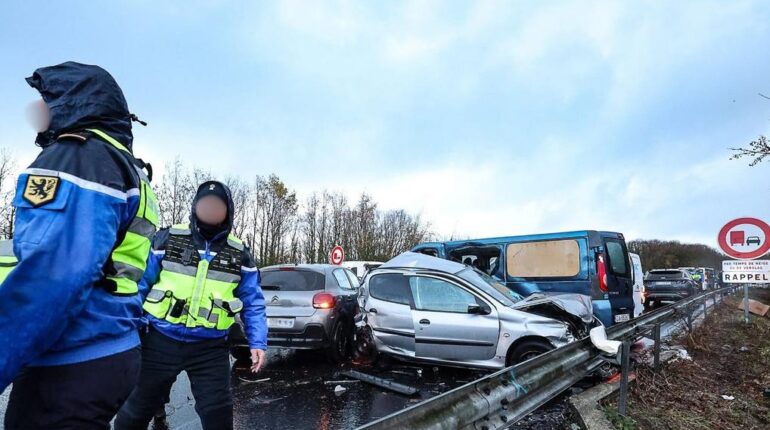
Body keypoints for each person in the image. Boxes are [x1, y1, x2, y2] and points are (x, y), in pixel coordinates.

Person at [0, 62, 158, 429]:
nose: (35, 110)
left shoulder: (77, 157)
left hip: (70, 358)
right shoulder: (129, 169)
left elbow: (52, 278)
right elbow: (143, 272)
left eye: (46, 98)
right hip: (112, 348)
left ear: (73, 102)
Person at [115, 180, 267, 430]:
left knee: (219, 417)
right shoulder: (167, 238)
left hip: (211, 349)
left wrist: (258, 342)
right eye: (206, 204)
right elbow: (139, 285)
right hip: (159, 341)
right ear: (195, 206)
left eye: (217, 205)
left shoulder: (240, 253)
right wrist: (129, 329)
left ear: (228, 210)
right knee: (134, 412)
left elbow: (253, 302)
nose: (211, 210)